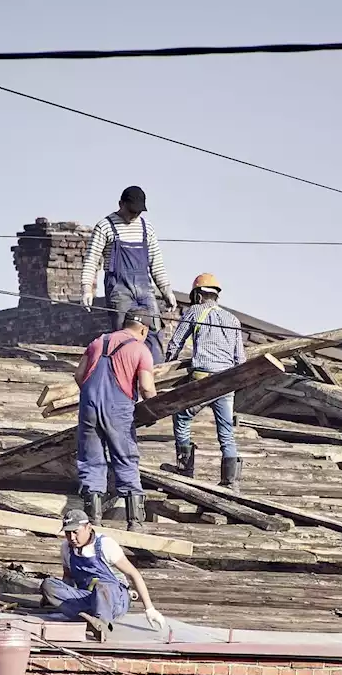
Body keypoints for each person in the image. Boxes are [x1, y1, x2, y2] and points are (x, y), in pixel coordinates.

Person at [74, 313, 158, 530]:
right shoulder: (140, 349)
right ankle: (135, 522)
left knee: (91, 460)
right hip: (118, 408)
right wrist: (154, 409)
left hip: (88, 406)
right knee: (125, 458)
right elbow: (147, 387)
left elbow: (79, 375)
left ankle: (93, 520)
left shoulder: (97, 342)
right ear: (143, 330)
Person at [164, 273, 246, 491]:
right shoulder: (233, 319)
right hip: (227, 380)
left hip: (203, 379)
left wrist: (165, 368)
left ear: (198, 295)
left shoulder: (195, 311)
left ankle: (184, 470)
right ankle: (231, 482)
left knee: (181, 416)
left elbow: (175, 343)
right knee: (226, 431)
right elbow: (241, 359)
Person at [79, 186, 178, 363]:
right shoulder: (105, 226)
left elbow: (156, 262)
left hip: (144, 288)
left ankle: (153, 374)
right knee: (124, 334)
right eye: (131, 210)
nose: (134, 215)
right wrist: (87, 288)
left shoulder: (146, 227)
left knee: (153, 331)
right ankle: (124, 371)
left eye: (138, 211)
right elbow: (91, 259)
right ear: (121, 204)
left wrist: (166, 291)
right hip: (119, 290)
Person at [40, 509, 165, 630]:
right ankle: (86, 616)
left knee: (100, 585)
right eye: (68, 533)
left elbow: (134, 574)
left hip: (114, 599)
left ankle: (102, 623)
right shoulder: (66, 548)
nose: (72, 537)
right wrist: (57, 596)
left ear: (88, 527)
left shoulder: (106, 545)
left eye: (75, 532)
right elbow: (68, 576)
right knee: (48, 584)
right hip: (88, 596)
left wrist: (149, 609)